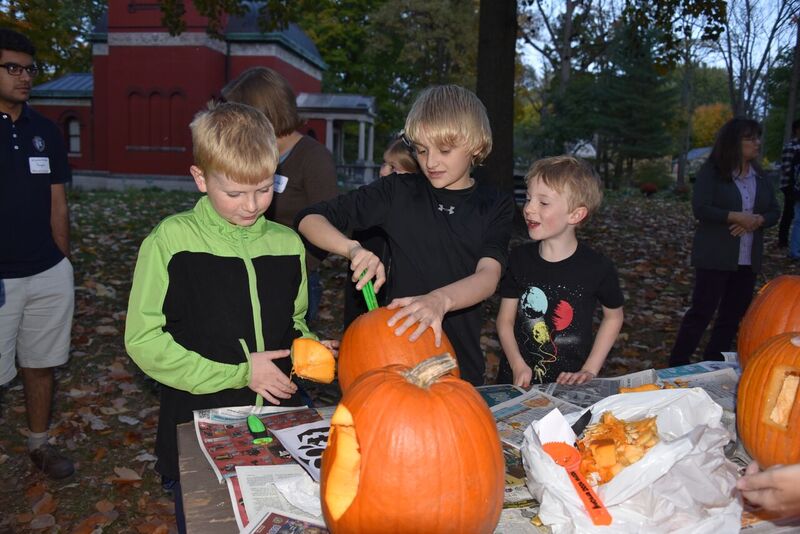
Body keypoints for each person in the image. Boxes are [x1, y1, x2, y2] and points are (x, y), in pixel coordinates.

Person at [125, 102, 335, 531]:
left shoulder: (287, 243)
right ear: (200, 178)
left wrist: (305, 348)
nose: (251, 205)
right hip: (198, 422)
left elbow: (293, 320)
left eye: (263, 189)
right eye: (234, 193)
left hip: (278, 418)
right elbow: (144, 340)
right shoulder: (170, 241)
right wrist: (241, 373)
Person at [297, 85, 514, 386]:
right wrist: (352, 249)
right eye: (422, 150)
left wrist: (439, 301)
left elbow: (489, 275)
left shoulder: (495, 205)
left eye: (444, 151)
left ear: (476, 145)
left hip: (458, 366)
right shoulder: (396, 191)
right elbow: (310, 219)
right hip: (393, 362)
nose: (431, 162)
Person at [0, 29, 75, 479]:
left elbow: (58, 201)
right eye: (12, 68)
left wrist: (63, 261)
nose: (23, 77)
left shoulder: (45, 130)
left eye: (28, 69)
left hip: (47, 272)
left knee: (41, 363)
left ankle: (39, 444)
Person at [222, 67, 338, 325]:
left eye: (239, 112)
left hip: (293, 282)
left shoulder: (313, 158)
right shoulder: (250, 154)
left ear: (262, 113)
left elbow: (330, 226)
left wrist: (292, 271)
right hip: (246, 275)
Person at [495, 156, 624, 387]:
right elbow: (505, 320)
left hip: (569, 388)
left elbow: (614, 317)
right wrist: (517, 364)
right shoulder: (518, 259)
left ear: (575, 215)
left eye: (543, 203)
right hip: (516, 382)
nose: (529, 209)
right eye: (528, 198)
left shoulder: (598, 267)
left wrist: (590, 370)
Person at [668, 118, 780, 367]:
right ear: (734, 142)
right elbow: (701, 208)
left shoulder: (760, 176)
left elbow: (774, 210)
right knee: (701, 313)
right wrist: (735, 216)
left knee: (731, 316)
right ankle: (677, 363)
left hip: (747, 259)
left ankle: (713, 364)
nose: (757, 143)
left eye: (757, 137)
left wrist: (757, 220)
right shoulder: (713, 172)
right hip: (715, 256)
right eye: (750, 138)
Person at [342, 137, 421, 329]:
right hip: (364, 302)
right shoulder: (369, 211)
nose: (384, 171)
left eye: (393, 168)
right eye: (384, 163)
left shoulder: (418, 219)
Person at [779, 119, 800, 249]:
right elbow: (786, 167)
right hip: (789, 185)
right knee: (788, 213)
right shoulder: (790, 146)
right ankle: (783, 241)